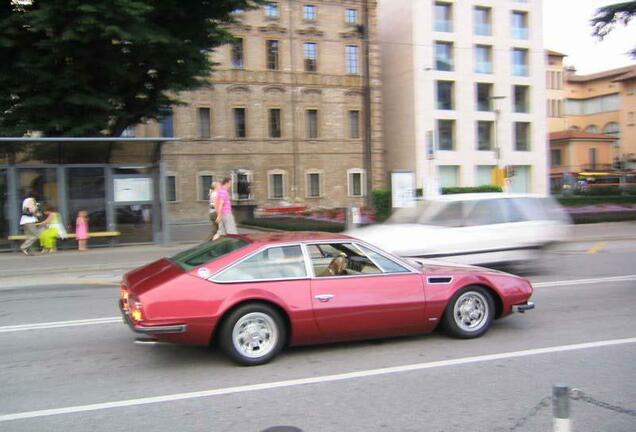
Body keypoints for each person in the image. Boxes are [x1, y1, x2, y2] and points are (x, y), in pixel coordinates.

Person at [19, 190, 40, 255]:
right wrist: (37, 207)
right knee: (36, 235)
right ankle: (23, 247)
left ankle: (29, 251)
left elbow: (25, 209)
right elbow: (32, 210)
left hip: (24, 220)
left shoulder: (25, 200)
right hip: (29, 220)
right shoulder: (32, 200)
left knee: (29, 236)